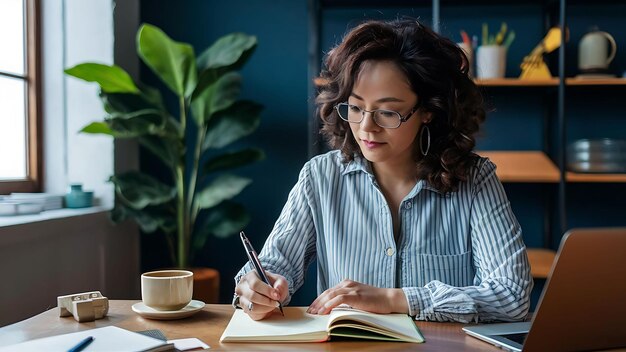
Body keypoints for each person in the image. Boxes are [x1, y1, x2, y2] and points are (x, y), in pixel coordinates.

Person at [233, 18, 532, 323]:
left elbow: (511, 296)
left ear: (428, 110)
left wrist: (395, 299)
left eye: (388, 112)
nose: (366, 128)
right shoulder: (320, 178)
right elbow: (272, 268)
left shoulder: (475, 180)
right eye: (356, 107)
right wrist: (257, 290)